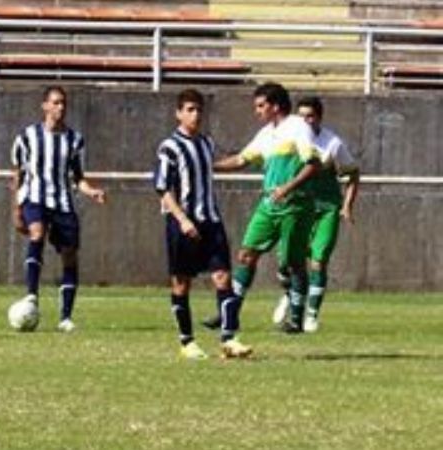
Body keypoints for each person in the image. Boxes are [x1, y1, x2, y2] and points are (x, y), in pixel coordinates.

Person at [204, 82, 321, 333]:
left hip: (295, 205)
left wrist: (287, 188)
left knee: (293, 262)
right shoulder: (267, 133)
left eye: (260, 106)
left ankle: (296, 319)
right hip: (270, 204)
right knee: (246, 254)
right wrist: (207, 165)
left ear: (275, 106)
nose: (256, 111)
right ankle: (229, 312)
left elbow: (313, 165)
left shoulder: (297, 127)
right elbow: (241, 159)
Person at [153, 88, 252, 359]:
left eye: (199, 110)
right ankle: (187, 341)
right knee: (181, 283)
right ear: (179, 113)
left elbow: (213, 166)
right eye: (190, 110)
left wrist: (249, 158)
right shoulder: (169, 147)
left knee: (223, 277)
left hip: (210, 220)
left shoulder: (206, 143)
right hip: (183, 223)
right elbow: (162, 188)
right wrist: (182, 219)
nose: (195, 115)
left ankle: (229, 338)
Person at [10, 86, 106, 332]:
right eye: (55, 103)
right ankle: (31, 295)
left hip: (63, 202)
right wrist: (16, 209)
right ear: (45, 106)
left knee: (70, 255)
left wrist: (92, 190)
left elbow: (78, 178)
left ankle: (65, 317)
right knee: (37, 233)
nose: (60, 107)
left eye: (63, 103)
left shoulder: (74, 140)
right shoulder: (27, 137)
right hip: (34, 198)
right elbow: (17, 174)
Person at [272, 96, 359, 332]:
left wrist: (347, 206)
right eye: (300, 116)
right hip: (299, 208)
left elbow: (353, 174)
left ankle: (311, 314)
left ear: (319, 118)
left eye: (310, 116)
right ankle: (290, 295)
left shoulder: (332, 143)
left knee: (318, 262)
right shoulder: (290, 139)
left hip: (326, 209)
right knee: (285, 262)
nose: (305, 121)